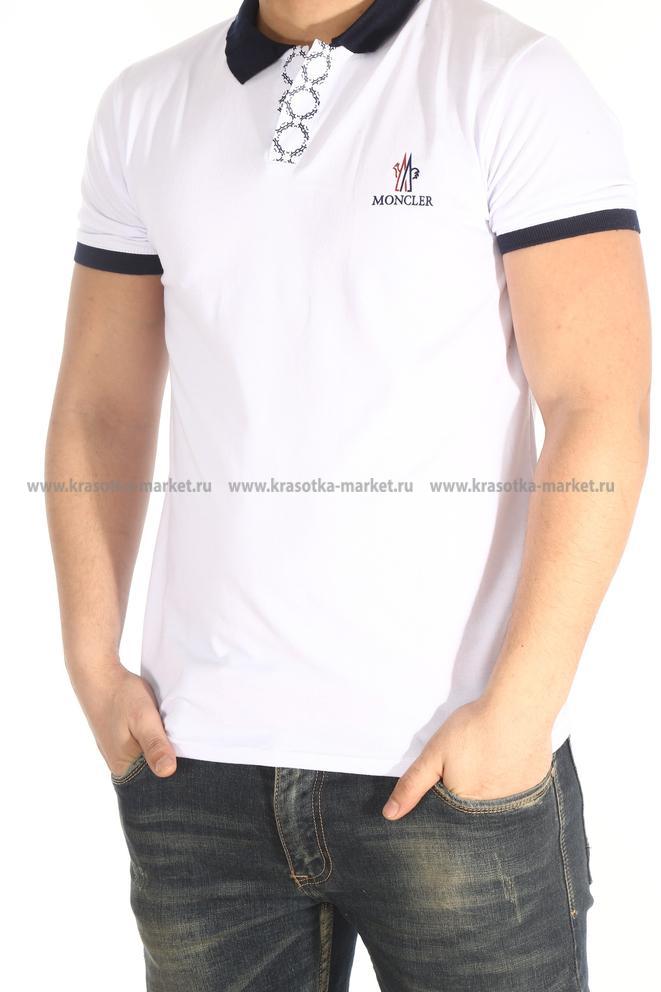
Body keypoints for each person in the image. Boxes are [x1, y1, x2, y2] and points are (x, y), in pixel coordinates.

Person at [45, 0, 651, 989]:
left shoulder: (509, 77)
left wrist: (519, 710)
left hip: (453, 765)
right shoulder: (145, 105)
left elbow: (597, 404)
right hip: (194, 769)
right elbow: (98, 406)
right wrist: (87, 657)